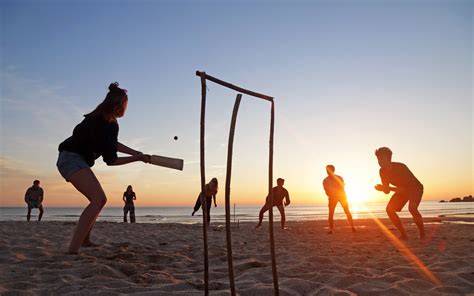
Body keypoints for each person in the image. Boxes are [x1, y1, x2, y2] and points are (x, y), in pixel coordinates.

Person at [56, 82, 151, 254]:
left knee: (100, 200)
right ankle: (72, 251)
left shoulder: (98, 117)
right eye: (125, 105)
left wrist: (135, 152)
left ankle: (85, 241)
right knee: (98, 199)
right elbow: (111, 160)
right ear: (119, 106)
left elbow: (111, 144)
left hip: (71, 158)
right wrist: (135, 158)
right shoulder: (107, 124)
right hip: (71, 159)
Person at [374, 147, 425, 240]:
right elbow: (387, 191)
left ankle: (422, 233)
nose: (380, 161)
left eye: (382, 159)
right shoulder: (382, 171)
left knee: (412, 209)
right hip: (401, 190)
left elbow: (404, 190)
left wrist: (387, 188)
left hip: (415, 188)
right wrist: (383, 188)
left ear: (389, 159)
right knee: (389, 210)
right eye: (378, 159)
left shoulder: (401, 167)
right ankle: (403, 235)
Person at [323, 165, 356, 234]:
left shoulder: (339, 178)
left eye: (329, 170)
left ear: (333, 170)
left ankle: (352, 227)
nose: (327, 172)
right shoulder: (325, 180)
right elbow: (326, 191)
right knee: (331, 213)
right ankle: (331, 229)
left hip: (342, 196)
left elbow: (342, 187)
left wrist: (337, 193)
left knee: (347, 211)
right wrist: (332, 195)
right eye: (327, 170)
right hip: (332, 198)